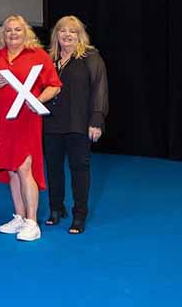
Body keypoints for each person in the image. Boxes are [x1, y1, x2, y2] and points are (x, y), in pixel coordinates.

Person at [0, 14, 61, 242]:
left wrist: (37, 101)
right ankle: (19, 216)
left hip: (26, 120)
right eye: (8, 30)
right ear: (2, 34)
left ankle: (32, 222)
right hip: (1, 121)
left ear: (25, 33)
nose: (13, 34)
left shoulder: (38, 55)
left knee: (25, 168)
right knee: (11, 169)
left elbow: (54, 85)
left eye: (17, 30)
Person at [44, 15, 109, 234]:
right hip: (51, 122)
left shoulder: (91, 57)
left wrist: (97, 119)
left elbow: (100, 88)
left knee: (79, 169)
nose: (67, 35)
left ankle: (79, 215)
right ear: (57, 34)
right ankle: (55, 208)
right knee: (53, 169)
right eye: (63, 30)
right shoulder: (49, 58)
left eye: (72, 31)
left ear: (80, 34)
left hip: (79, 123)